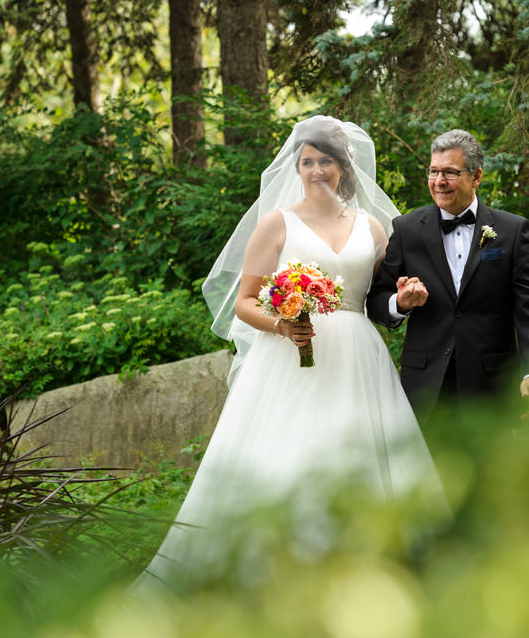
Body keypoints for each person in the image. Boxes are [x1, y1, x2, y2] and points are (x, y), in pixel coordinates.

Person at [131, 116, 443, 593]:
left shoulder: (373, 227)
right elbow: (244, 301)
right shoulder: (277, 224)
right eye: (307, 162)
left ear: (344, 167)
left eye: (326, 162)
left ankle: (371, 570)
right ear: (296, 168)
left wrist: (405, 294)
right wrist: (283, 323)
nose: (316, 170)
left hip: (360, 357)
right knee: (293, 453)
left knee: (360, 452)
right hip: (292, 355)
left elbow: (386, 291)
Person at [366, 129, 529, 426]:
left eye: (450, 173)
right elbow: (375, 300)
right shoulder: (406, 229)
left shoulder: (511, 231)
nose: (439, 181)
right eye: (434, 171)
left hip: (493, 386)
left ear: (476, 176)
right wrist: (399, 303)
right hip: (425, 386)